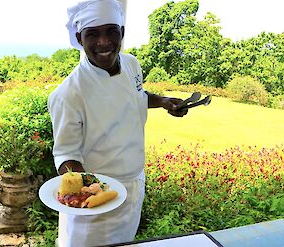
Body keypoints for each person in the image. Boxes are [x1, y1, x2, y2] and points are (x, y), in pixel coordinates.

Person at [47, 0, 188, 246]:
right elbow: (66, 154)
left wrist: (164, 102)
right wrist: (88, 192)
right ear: (80, 38)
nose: (104, 42)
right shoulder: (68, 94)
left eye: (111, 31)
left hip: (134, 185)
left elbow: (137, 97)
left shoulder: (132, 64)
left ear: (122, 32)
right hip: (95, 202)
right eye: (93, 34)